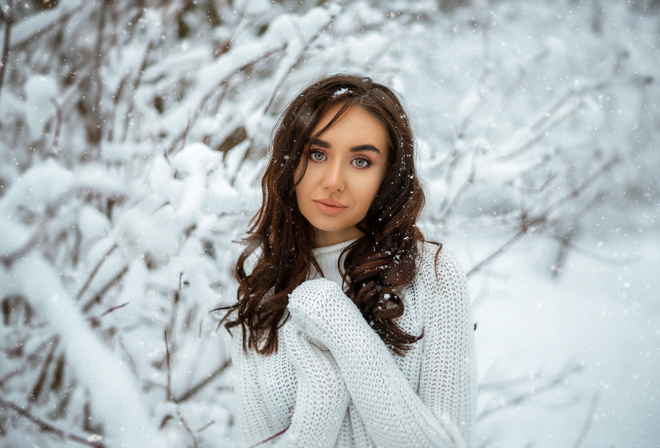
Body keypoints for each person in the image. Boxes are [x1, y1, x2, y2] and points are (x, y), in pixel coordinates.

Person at [221, 74, 476, 447]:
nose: (333, 181)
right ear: (291, 161)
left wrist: (345, 332)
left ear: (387, 176)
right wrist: (323, 393)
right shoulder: (264, 294)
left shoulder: (434, 276)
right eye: (317, 154)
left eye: (361, 161)